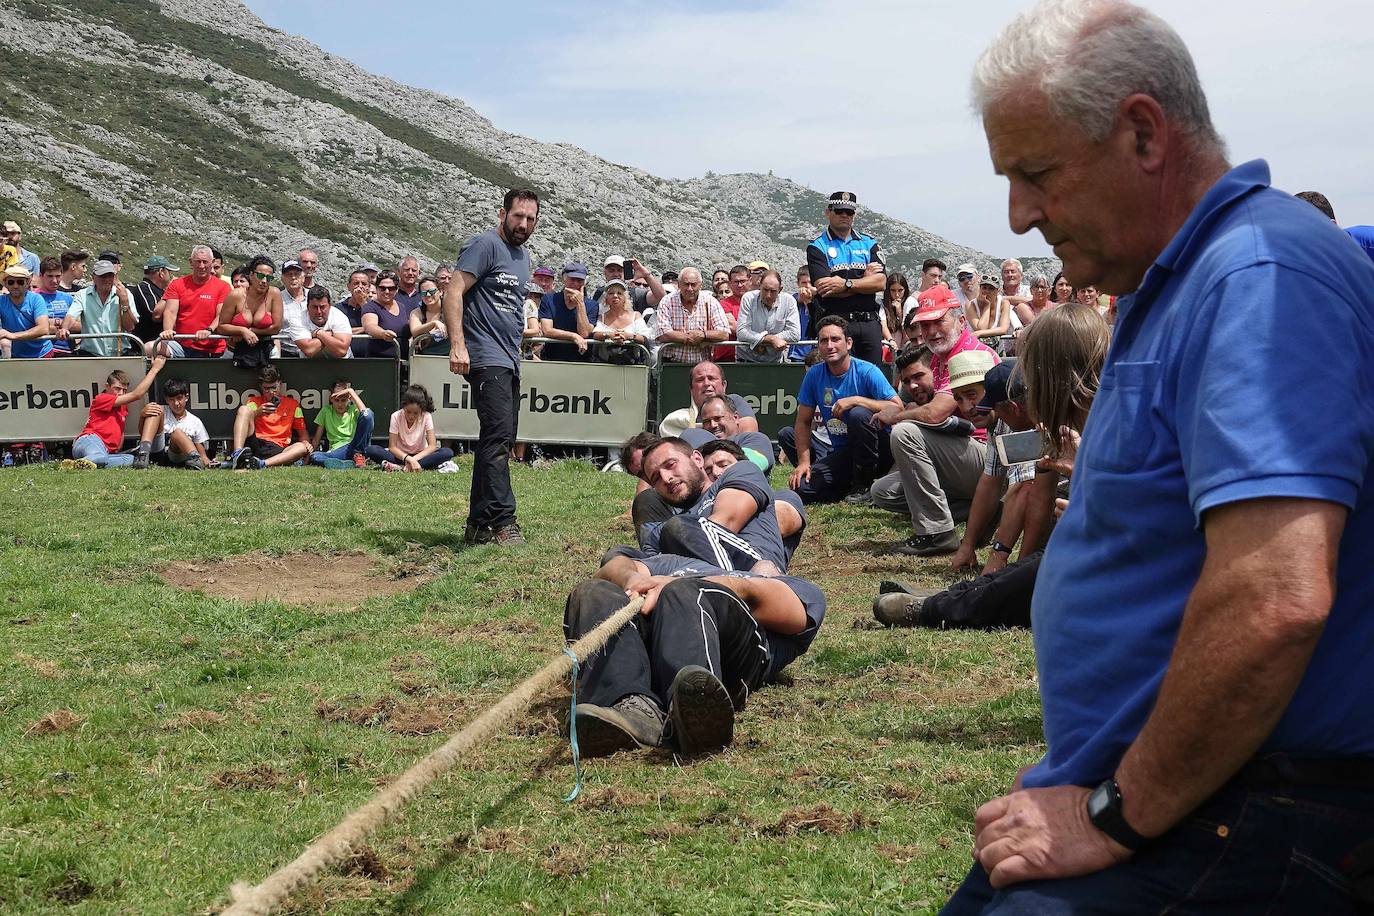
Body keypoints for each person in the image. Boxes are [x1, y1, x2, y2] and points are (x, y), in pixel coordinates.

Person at [939, 2, 1374, 912]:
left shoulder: (1259, 277)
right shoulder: (1167, 282)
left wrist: (1114, 816)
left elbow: (1275, 597)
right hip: (1185, 800)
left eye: (1037, 173)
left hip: (1247, 814)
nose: (1019, 216)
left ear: (1142, 133)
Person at [875, 304, 1108, 630]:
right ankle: (951, 599)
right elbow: (1037, 490)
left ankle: (934, 608)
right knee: (1036, 568)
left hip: (1118, 560)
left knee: (1044, 573)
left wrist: (1090, 499)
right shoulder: (1059, 423)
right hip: (1092, 543)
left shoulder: (1114, 418)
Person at [563, 562, 827, 756]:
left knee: (683, 592)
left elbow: (791, 615)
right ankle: (632, 711)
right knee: (593, 591)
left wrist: (673, 584)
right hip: (649, 640)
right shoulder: (662, 559)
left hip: (728, 650)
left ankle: (695, 709)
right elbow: (613, 566)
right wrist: (634, 578)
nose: (666, 482)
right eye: (655, 481)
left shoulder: (788, 583)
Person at [445, 188, 540, 546]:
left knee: (495, 440)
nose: (523, 224)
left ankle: (477, 524)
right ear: (503, 213)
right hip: (485, 357)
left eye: (530, 219)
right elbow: (454, 290)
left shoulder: (522, 256)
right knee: (498, 440)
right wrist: (458, 344)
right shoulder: (483, 245)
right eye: (518, 216)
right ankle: (503, 521)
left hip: (508, 359)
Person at [779, 315, 901, 504]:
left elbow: (897, 407)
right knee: (802, 489)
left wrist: (857, 400)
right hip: (843, 451)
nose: (830, 346)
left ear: (848, 343)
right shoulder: (814, 375)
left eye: (835, 339)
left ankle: (864, 484)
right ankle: (847, 485)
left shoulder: (868, 371)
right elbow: (803, 422)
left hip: (880, 451)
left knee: (858, 413)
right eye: (824, 341)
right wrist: (803, 462)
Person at [624, 436, 788, 574]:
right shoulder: (677, 516)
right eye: (656, 478)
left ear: (696, 459)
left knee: (678, 527)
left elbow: (725, 524)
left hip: (751, 572)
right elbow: (652, 558)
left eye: (671, 465)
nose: (666, 478)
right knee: (619, 557)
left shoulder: (743, 471)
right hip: (692, 579)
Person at [806, 191, 887, 365]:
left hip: (868, 323)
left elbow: (880, 282)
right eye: (839, 211)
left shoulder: (869, 243)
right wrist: (864, 282)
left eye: (849, 212)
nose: (844, 215)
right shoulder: (817, 246)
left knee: (872, 378)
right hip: (837, 322)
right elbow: (825, 289)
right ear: (828, 212)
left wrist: (845, 283)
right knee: (838, 376)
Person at [69, 356, 168, 469]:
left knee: (131, 460)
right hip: (89, 440)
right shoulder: (102, 398)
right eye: (117, 388)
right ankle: (74, 465)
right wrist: (154, 369)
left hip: (105, 451)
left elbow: (118, 444)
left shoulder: (123, 408)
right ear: (107, 386)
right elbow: (137, 394)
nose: (121, 393)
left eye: (124, 390)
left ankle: (90, 463)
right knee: (101, 457)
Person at [226, 366, 313, 470]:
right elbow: (245, 420)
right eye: (266, 389)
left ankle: (261, 464)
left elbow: (303, 434)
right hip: (256, 443)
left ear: (280, 384)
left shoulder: (293, 404)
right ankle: (238, 455)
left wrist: (306, 444)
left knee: (301, 447)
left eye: (274, 388)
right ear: (261, 387)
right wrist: (257, 413)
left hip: (279, 449)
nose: (271, 392)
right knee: (244, 409)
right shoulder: (254, 401)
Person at [156, 246, 231, 358]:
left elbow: (221, 315)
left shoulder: (223, 287)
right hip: (182, 345)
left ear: (212, 263)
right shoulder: (178, 284)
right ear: (191, 262)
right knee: (149, 348)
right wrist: (168, 330)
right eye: (198, 262)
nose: (201, 266)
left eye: (205, 262)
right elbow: (170, 311)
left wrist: (209, 330)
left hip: (211, 348)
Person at [363, 384, 455, 472]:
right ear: (403, 407)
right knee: (371, 450)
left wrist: (413, 459)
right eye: (408, 412)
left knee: (447, 452)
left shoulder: (426, 416)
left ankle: (404, 467)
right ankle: (415, 466)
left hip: (420, 455)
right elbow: (392, 447)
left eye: (415, 413)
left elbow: (432, 446)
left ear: (421, 410)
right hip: (400, 456)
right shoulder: (396, 416)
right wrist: (408, 458)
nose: (411, 416)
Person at [658, 360, 760, 437]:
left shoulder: (735, 401)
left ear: (723, 385)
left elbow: (749, 433)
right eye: (700, 380)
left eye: (711, 378)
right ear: (691, 389)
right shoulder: (677, 420)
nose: (706, 383)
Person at [215, 255, 282, 368]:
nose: (264, 281)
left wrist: (250, 331)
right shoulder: (236, 295)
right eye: (260, 276)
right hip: (234, 352)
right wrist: (242, 330)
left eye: (269, 278)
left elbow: (276, 328)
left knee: (271, 384)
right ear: (251, 275)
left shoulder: (274, 293)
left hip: (266, 352)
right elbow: (221, 327)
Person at [653, 267, 729, 364]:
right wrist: (690, 337)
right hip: (671, 363)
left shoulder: (710, 301)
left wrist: (703, 335)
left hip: (702, 364)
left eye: (693, 285)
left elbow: (724, 333)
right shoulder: (667, 301)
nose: (689, 289)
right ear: (679, 285)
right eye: (686, 284)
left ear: (700, 285)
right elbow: (662, 334)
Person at [679, 394, 775, 472]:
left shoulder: (755, 439)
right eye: (707, 421)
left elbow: (746, 468)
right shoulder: (697, 438)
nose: (713, 425)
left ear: (736, 417)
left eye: (718, 418)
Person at [63, 259, 137, 356]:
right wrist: (64, 328)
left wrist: (125, 303)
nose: (107, 280)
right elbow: (71, 315)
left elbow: (130, 327)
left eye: (110, 276)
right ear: (93, 277)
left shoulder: (125, 294)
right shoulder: (82, 295)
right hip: (90, 355)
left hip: (120, 355)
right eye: (103, 276)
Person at [735, 269, 800, 363]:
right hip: (746, 360)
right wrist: (771, 340)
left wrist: (761, 341)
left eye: (773, 291)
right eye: (765, 290)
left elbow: (795, 334)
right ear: (759, 286)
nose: (768, 295)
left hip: (774, 362)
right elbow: (741, 332)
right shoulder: (748, 298)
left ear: (780, 290)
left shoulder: (789, 301)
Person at [538, 263, 598, 362]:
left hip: (582, 360)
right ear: (564, 279)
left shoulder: (592, 305)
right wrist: (573, 336)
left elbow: (584, 333)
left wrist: (580, 304)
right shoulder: (549, 299)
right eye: (572, 279)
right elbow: (547, 330)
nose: (575, 284)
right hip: (552, 358)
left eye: (579, 281)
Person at [309, 380, 374, 469]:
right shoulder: (326, 411)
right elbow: (316, 439)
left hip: (355, 446)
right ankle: (345, 464)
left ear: (349, 399)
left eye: (343, 400)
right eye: (336, 400)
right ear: (331, 399)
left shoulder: (353, 409)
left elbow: (367, 415)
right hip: (338, 451)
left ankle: (358, 456)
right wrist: (308, 456)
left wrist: (351, 391)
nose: (340, 404)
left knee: (368, 413)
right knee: (315, 456)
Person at [150, 376, 211, 470]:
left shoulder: (195, 421)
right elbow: (142, 431)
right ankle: (143, 454)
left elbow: (202, 453)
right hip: (158, 453)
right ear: (166, 399)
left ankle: (195, 461)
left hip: (178, 457)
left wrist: (207, 462)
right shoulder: (160, 411)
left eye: (179, 398)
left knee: (177, 432)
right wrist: (143, 414)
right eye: (171, 399)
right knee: (175, 431)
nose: (176, 403)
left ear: (186, 397)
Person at [590, 279, 652, 364]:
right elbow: (595, 335)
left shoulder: (636, 316)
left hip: (632, 365)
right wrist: (610, 335)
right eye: (611, 293)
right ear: (606, 299)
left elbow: (644, 338)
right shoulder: (602, 317)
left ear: (625, 298)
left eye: (619, 293)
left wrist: (629, 336)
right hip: (605, 364)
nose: (615, 296)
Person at [0, 266, 53, 358]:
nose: (15, 286)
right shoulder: (1, 301)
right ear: (5, 284)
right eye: (11, 282)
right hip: (16, 355)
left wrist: (13, 336)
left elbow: (43, 328)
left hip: (41, 354)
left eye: (20, 282)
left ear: (27, 283)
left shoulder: (36, 299)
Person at [288, 285, 352, 359]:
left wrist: (320, 334)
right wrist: (329, 335)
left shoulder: (339, 316)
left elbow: (341, 351)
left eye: (322, 307)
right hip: (310, 364)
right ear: (307, 306)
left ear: (330, 306)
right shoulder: (298, 319)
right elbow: (309, 350)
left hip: (340, 363)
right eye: (314, 307)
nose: (319, 312)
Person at [362, 269, 411, 358]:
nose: (387, 292)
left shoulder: (402, 306)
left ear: (396, 290)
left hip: (403, 360)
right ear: (376, 288)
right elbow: (369, 326)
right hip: (380, 361)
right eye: (382, 288)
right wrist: (382, 333)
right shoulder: (370, 307)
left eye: (391, 288)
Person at [33, 257, 75, 356]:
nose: (54, 280)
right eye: (50, 276)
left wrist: (58, 323)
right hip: (41, 352)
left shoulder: (68, 298)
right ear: (41, 276)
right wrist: (64, 326)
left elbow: (80, 325)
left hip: (67, 351)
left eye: (58, 276)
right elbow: (31, 325)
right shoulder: (32, 298)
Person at [130, 255, 176, 345]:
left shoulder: (160, 290)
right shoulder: (144, 288)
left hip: (158, 343)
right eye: (169, 272)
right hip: (145, 344)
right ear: (161, 272)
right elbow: (153, 313)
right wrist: (171, 289)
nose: (170, 275)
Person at [712, 265, 749, 363]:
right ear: (730, 283)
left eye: (743, 281)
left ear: (749, 280)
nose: (740, 285)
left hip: (751, 357)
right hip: (727, 357)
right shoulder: (723, 304)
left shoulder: (757, 302)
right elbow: (733, 326)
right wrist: (760, 338)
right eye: (736, 282)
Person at [275, 260, 309, 357]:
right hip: (286, 352)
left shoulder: (314, 296)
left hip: (312, 351)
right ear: (282, 279)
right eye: (289, 274)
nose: (293, 277)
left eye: (296, 274)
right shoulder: (276, 299)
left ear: (303, 276)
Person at [336, 269, 372, 358]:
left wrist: (362, 302)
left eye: (364, 284)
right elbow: (338, 332)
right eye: (356, 283)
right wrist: (366, 328)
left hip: (370, 358)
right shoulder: (338, 309)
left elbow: (380, 327)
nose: (360, 287)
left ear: (369, 287)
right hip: (345, 358)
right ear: (349, 287)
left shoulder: (376, 308)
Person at [790, 266, 816, 362]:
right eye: (804, 283)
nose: (807, 286)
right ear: (798, 284)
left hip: (816, 352)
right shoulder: (792, 300)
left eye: (810, 282)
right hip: (798, 352)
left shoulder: (820, 301)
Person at [880, 272, 909, 350]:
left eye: (900, 290)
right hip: (889, 347)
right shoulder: (882, 305)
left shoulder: (908, 303)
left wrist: (899, 312)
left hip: (904, 348)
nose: (897, 295)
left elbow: (908, 331)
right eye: (893, 290)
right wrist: (891, 340)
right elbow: (883, 325)